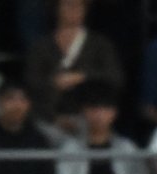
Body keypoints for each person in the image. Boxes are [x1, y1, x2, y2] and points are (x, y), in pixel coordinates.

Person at [55, 83, 155, 174]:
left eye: (105, 109)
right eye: (93, 109)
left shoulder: (126, 147)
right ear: (83, 112)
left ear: (114, 113)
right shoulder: (71, 148)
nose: (99, 115)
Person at [23, 0, 122, 131]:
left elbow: (115, 78)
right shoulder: (41, 46)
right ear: (56, 8)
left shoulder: (99, 45)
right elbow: (31, 82)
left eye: (79, 5)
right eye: (68, 4)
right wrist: (55, 83)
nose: (74, 9)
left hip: (90, 121)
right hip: (48, 120)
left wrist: (82, 77)